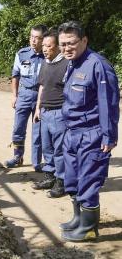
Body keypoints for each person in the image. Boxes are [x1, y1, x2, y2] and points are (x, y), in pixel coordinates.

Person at [58, 21, 119, 242]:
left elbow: (108, 103)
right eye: (62, 44)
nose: (66, 48)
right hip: (72, 133)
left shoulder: (98, 65)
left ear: (84, 40)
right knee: (72, 180)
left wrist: (109, 135)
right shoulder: (72, 64)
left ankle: (89, 228)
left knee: (89, 181)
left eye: (71, 43)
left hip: (91, 134)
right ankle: (78, 219)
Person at [5, 25, 47, 172]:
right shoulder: (22, 54)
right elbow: (15, 75)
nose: (33, 40)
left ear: (44, 39)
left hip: (41, 97)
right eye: (31, 37)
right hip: (24, 95)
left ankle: (36, 162)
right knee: (18, 129)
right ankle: (17, 157)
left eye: (37, 38)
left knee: (38, 132)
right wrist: (14, 96)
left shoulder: (49, 55)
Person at [32, 29, 68, 198]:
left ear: (58, 47)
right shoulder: (46, 62)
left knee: (59, 149)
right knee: (47, 147)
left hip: (59, 113)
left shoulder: (67, 64)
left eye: (49, 46)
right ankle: (49, 176)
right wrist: (38, 108)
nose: (45, 49)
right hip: (45, 112)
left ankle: (61, 182)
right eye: (44, 45)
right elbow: (42, 86)